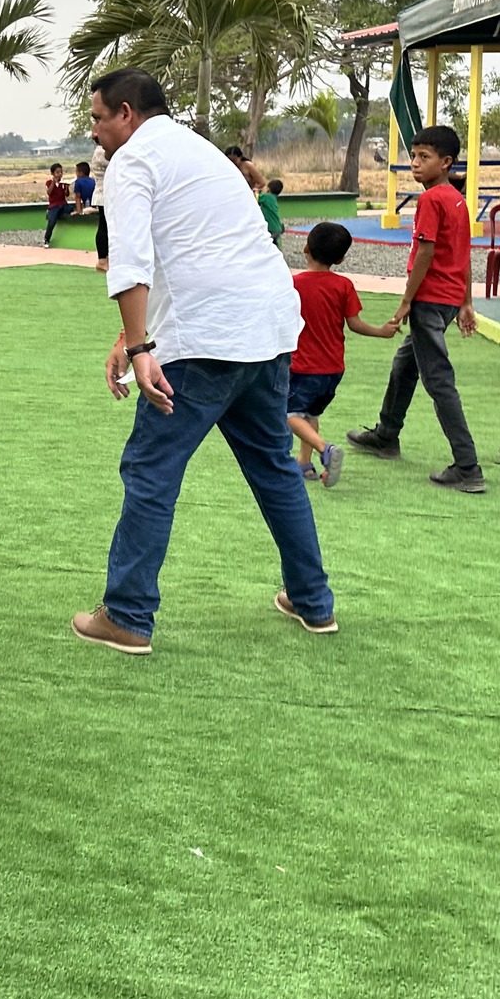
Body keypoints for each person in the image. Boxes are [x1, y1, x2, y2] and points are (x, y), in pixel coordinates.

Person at [70, 67, 336, 655]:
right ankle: (313, 602)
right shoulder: (202, 152)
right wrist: (131, 335)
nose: (93, 132)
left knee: (151, 471)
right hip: (268, 332)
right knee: (275, 466)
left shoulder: (132, 161)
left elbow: (132, 260)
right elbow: (198, 250)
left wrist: (140, 349)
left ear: (126, 114)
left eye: (97, 117)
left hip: (204, 342)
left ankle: (127, 616)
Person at [345, 126, 483, 492]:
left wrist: (407, 300)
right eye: (414, 156)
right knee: (404, 365)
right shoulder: (457, 200)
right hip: (448, 299)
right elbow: (463, 253)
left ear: (446, 162)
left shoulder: (432, 200)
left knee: (438, 381)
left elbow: (426, 251)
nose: (415, 163)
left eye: (425, 157)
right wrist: (465, 301)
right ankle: (386, 435)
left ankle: (468, 467)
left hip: (430, 299)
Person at [289, 222, 400, 486]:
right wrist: (382, 331)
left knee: (289, 414)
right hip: (333, 369)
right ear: (340, 259)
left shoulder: (293, 285)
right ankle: (304, 464)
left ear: (305, 248)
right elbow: (355, 324)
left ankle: (324, 449)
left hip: (303, 367)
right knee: (310, 415)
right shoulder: (344, 286)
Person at [43, 163, 71, 246]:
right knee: (52, 221)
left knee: (70, 209)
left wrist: (67, 187)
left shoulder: (63, 183)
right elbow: (49, 192)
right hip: (54, 205)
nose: (60, 174)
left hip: (63, 204)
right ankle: (47, 239)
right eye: (57, 172)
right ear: (52, 174)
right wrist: (53, 182)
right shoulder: (49, 182)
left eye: (61, 172)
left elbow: (67, 194)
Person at [259, 178, 286, 247]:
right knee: (274, 244)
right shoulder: (273, 198)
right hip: (277, 228)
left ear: (268, 189)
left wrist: (255, 191)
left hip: (271, 228)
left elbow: (256, 197)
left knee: (266, 243)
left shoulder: (267, 197)